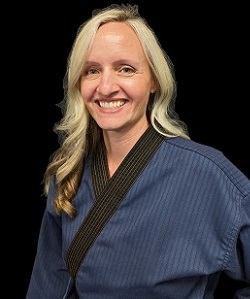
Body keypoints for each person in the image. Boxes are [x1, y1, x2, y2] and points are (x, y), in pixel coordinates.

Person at [26, 3, 250, 298]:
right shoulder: (68, 173)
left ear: (154, 79)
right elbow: (46, 288)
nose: (106, 87)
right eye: (92, 70)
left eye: (126, 69)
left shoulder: (209, 175)